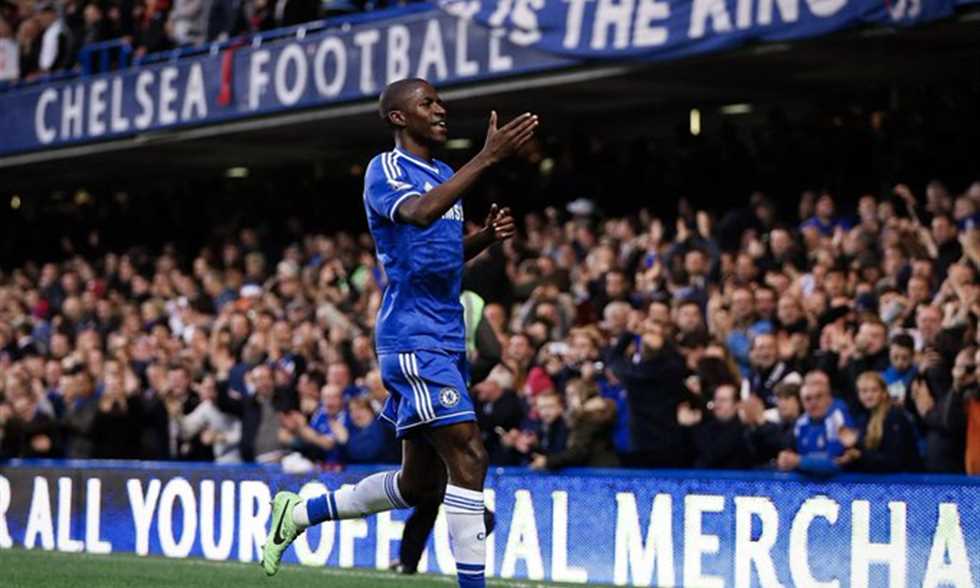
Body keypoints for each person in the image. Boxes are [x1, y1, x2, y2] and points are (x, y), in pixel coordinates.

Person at [261, 77, 537, 588]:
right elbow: (417, 212)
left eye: (439, 101)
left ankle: (298, 514)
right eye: (427, 102)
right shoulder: (386, 169)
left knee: (418, 484)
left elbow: (440, 254)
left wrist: (483, 238)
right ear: (398, 117)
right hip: (414, 336)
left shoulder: (444, 174)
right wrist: (487, 158)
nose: (440, 109)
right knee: (470, 454)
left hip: (446, 338)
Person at [844, 372, 920, 473]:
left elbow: (894, 461)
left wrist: (859, 455)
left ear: (884, 393)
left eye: (874, 390)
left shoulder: (895, 417)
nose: (869, 395)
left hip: (906, 479)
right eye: (864, 391)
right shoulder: (864, 418)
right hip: (880, 478)